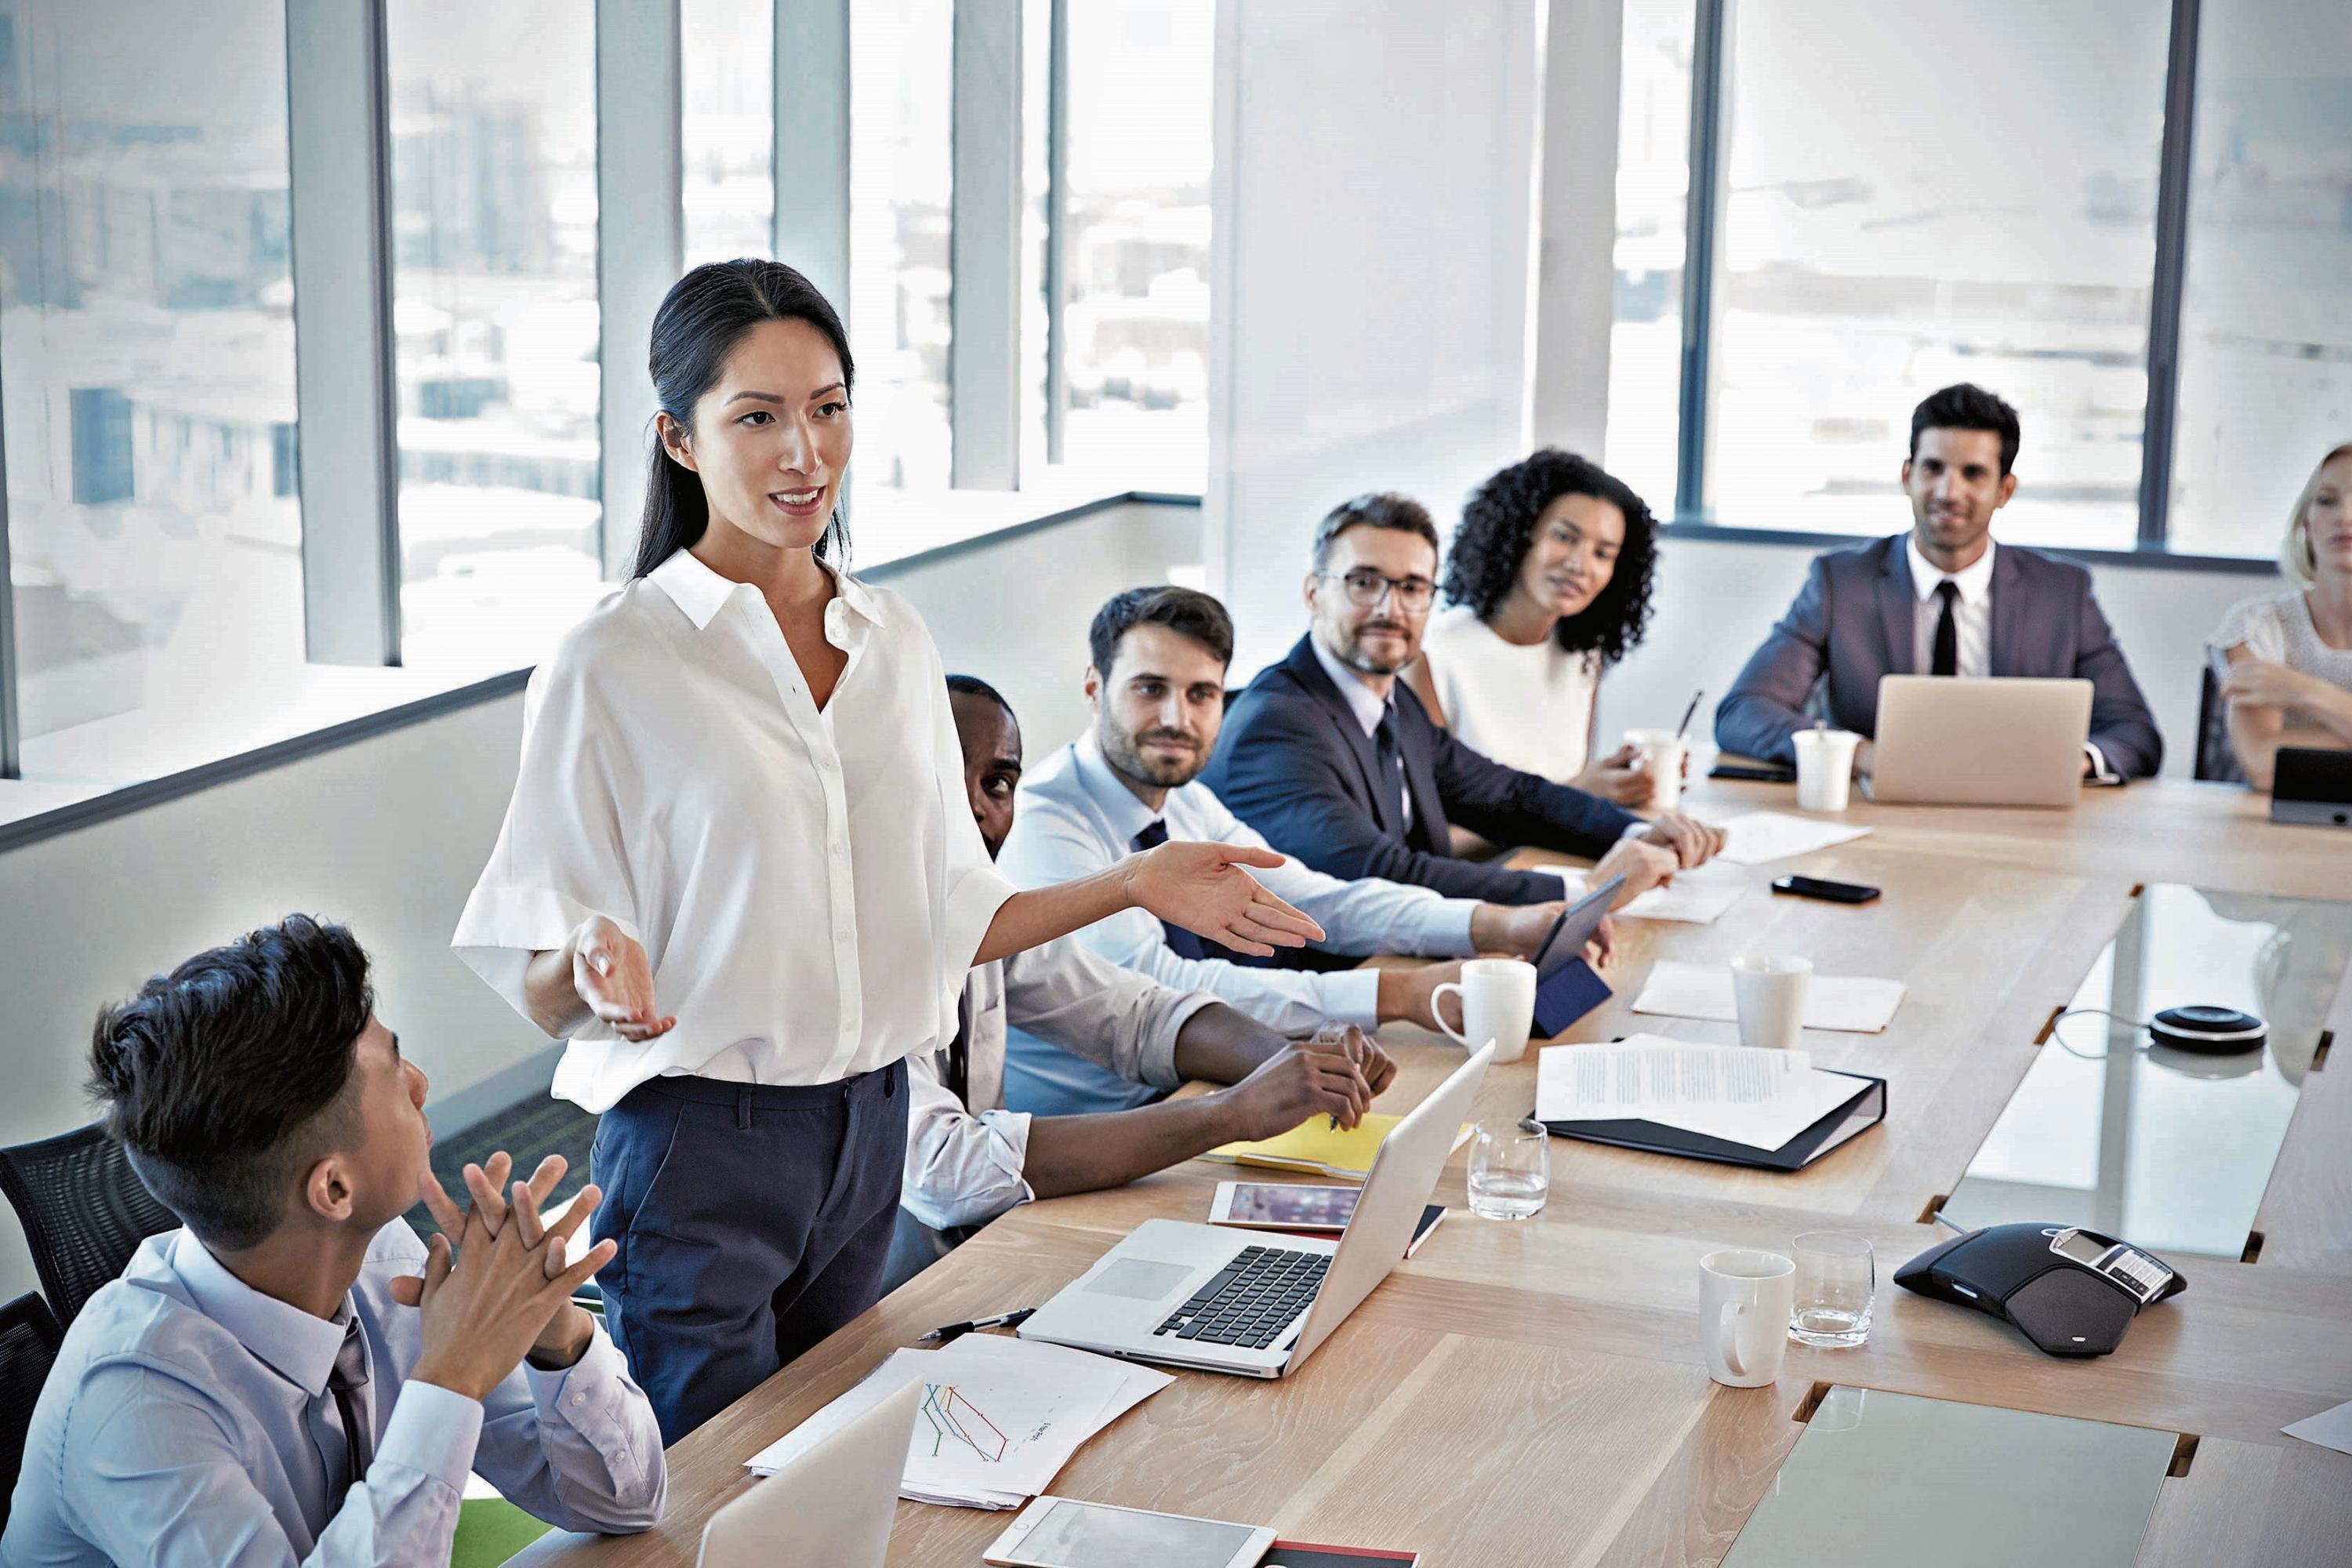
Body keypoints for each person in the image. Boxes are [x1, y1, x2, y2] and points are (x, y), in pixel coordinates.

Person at [450, 260, 1321, 1445]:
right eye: (757, 417)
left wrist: (1133, 881)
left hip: (867, 1135)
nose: (804, 452)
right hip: (702, 1147)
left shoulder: (893, 640)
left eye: (829, 407)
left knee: (836, 1476)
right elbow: (546, 977)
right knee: (708, 1499)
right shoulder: (615, 660)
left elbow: (952, 918)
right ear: (681, 438)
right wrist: (587, 960)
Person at [2, 916, 663, 1568]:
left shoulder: (377, 1257)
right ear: (334, 1191)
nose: (421, 1084)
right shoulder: (136, 1407)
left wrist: (551, 1333)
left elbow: (625, 1504)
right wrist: (453, 1375)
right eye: (394, 1067)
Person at [1000, 586, 1674, 1117]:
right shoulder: (1047, 824)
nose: (1177, 718)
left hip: (1200, 1091)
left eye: (1201, 694)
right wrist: (1398, 992)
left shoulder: (1182, 800)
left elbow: (1316, 897)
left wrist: (1495, 923)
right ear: (1095, 688)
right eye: (1150, 689)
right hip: (1109, 1128)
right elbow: (1168, 990)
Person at [887, 675, 1395, 1286]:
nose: (975, 805)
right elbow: (948, 1171)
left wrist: (1295, 1065)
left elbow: (1137, 1016)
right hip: (895, 1294)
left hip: (995, 1253)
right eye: (944, 776)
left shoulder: (986, 918)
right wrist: (1230, 1114)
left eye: (997, 784)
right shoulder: (860, 950)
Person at [1200, 495, 1722, 908]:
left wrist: (1637, 830)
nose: (1391, 608)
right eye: (1364, 583)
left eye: (1412, 588)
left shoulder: (1386, 699)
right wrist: (1586, 892)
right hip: (1315, 996)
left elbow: (1510, 796)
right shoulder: (1276, 727)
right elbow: (1381, 872)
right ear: (1314, 592)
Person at [1714, 383, 2163, 780]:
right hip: (1881, 816)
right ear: (1908, 476)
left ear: (2004, 491)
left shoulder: (2062, 594)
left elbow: (2134, 732)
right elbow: (1744, 712)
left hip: (2020, 821)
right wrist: (1862, 754)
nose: (1949, 492)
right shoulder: (1840, 583)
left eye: (1973, 473)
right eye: (1933, 469)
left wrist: (2073, 762)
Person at [1403, 448, 1662, 802]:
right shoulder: (1433, 657)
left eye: (1602, 554)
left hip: (1557, 856)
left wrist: (1618, 782)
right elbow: (1431, 831)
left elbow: (1569, 785)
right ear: (1518, 533)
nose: (1579, 565)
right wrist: (1575, 798)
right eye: (1565, 537)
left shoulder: (1582, 657)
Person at [2210, 441, 2352, 790]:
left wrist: (2302, 690)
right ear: (2306, 522)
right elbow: (2264, 765)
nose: (2345, 515)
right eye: (2326, 500)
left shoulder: (2292, 683)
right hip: (2277, 831)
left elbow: (2286, 758)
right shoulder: (2257, 625)